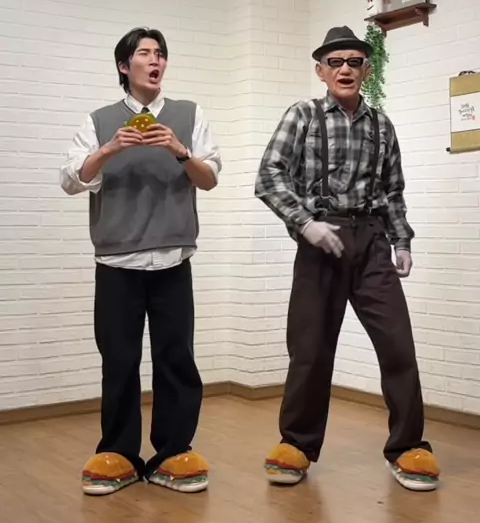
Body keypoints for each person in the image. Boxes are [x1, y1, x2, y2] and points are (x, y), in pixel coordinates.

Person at [254, 25, 440, 492]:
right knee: (310, 349)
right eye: (335, 62)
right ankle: (296, 444)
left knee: (398, 346)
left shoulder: (382, 125)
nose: (344, 69)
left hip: (372, 240)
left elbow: (392, 190)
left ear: (366, 71)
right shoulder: (303, 115)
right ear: (321, 71)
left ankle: (408, 447)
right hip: (320, 240)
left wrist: (401, 242)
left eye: (354, 62)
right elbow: (269, 176)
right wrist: (305, 223)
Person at [60, 27, 222, 496]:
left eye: (160, 54)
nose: (155, 61)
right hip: (117, 261)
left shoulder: (189, 115)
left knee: (177, 358)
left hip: (174, 257)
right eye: (145, 53)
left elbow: (209, 178)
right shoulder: (100, 121)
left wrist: (179, 150)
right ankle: (118, 453)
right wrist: (110, 148)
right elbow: (71, 181)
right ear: (123, 65)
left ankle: (173, 452)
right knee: (119, 359)